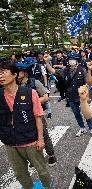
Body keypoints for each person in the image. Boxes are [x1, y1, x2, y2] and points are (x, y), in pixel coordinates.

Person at [0, 60, 52, 189]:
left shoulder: (30, 93)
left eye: (3, 72)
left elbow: (38, 117)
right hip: (10, 143)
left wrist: (40, 139)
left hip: (31, 142)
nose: (0, 76)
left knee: (42, 170)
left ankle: (48, 187)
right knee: (20, 174)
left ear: (15, 74)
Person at [44, 52, 92, 137]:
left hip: (81, 97)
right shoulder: (65, 70)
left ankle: (91, 128)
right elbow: (53, 71)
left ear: (77, 61)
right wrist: (47, 62)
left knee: (86, 113)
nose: (71, 61)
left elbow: (88, 82)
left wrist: (87, 97)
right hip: (71, 97)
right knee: (76, 113)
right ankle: (82, 128)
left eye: (73, 59)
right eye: (70, 59)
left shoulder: (82, 70)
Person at [16, 60, 57, 166]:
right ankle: (35, 157)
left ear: (24, 73)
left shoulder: (34, 82)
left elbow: (46, 97)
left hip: (36, 114)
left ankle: (51, 155)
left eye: (18, 72)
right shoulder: (15, 85)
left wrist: (31, 102)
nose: (15, 74)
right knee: (29, 137)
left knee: (44, 134)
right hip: (23, 117)